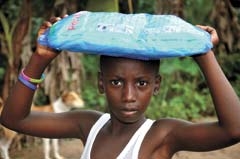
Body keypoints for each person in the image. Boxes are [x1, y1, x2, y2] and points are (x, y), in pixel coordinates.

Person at [1, 17, 240, 159]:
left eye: (141, 83)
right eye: (116, 82)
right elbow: (13, 119)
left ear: (156, 85)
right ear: (101, 83)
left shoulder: (162, 135)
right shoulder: (88, 125)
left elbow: (234, 130)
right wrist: (40, 58)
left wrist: (204, 53)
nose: (128, 96)